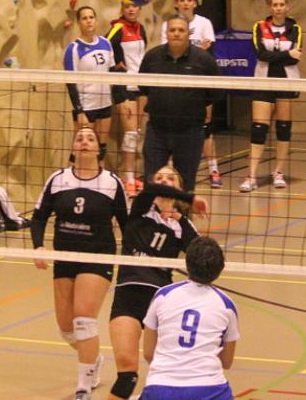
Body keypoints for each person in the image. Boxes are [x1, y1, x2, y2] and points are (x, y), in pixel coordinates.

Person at [31, 126, 128, 400]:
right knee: (66, 329)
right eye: (79, 138)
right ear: (73, 148)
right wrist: (38, 247)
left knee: (84, 319)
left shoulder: (111, 183)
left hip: (98, 257)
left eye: (90, 138)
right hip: (65, 258)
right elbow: (38, 217)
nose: (84, 142)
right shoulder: (58, 179)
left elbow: (127, 224)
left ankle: (83, 387)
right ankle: (93, 358)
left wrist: (135, 260)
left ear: (98, 148)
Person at [108, 165, 209, 400]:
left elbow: (203, 260)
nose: (163, 181)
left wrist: (183, 219)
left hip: (161, 303)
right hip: (128, 296)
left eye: (170, 178)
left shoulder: (182, 226)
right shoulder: (140, 209)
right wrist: (191, 198)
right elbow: (150, 190)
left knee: (166, 372)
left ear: (178, 187)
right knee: (127, 375)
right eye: (159, 177)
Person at [140, 236, 239, 400]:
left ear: (187, 264)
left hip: (160, 388)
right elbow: (226, 362)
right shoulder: (227, 305)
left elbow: (149, 353)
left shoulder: (163, 295)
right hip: (210, 390)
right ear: (220, 268)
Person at [139, 13, 220, 192]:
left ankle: (183, 211)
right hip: (157, 131)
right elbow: (143, 89)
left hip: (190, 132)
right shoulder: (152, 57)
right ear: (166, 33)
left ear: (188, 33)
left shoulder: (203, 59)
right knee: (151, 184)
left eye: (181, 30)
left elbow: (214, 93)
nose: (176, 33)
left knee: (185, 186)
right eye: (172, 30)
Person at [240, 0, 302, 192]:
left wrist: (279, 55)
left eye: (281, 4)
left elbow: (296, 57)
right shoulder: (259, 27)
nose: (278, 8)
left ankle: (278, 172)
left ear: (287, 7)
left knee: (283, 128)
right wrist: (286, 53)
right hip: (263, 82)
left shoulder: (295, 29)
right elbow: (260, 54)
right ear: (270, 7)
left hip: (286, 82)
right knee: (259, 129)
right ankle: (251, 176)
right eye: (275, 4)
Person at [161, 0, 222, 189]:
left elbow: (207, 53)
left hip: (200, 83)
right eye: (182, 0)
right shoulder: (168, 25)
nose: (186, 3)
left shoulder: (204, 23)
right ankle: (171, 170)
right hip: (176, 85)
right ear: (176, 3)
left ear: (195, 3)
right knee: (173, 125)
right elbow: (168, 51)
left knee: (206, 126)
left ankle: (213, 169)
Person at [64, 6, 116, 163]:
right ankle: (70, 176)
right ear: (78, 23)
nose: (89, 21)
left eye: (91, 17)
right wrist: (79, 110)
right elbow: (70, 82)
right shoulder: (73, 48)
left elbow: (113, 73)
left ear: (96, 20)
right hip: (86, 107)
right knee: (79, 150)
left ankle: (97, 177)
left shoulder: (106, 43)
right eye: (84, 18)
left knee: (101, 149)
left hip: (105, 104)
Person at [107, 2, 148, 198]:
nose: (131, 9)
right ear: (122, 9)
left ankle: (129, 175)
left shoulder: (141, 28)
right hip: (124, 87)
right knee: (130, 133)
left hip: (141, 87)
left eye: (135, 6)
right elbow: (105, 46)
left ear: (140, 8)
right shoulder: (118, 28)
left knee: (135, 133)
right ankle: (129, 179)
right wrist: (115, 64)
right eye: (127, 6)